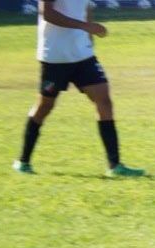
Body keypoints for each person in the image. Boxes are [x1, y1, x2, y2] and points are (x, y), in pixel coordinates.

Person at [13, 0, 144, 177]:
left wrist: (89, 38)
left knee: (104, 101)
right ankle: (23, 161)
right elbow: (47, 13)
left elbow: (87, 7)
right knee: (45, 106)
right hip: (55, 57)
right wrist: (85, 26)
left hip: (83, 55)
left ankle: (115, 165)